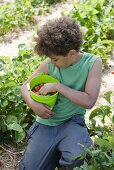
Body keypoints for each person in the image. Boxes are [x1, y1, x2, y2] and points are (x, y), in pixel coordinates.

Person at [19, 17, 102, 170]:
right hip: (46, 124)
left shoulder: (92, 63)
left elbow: (89, 101)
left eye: (55, 59)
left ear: (71, 53)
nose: (52, 62)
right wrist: (33, 104)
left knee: (78, 158)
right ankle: (54, 152)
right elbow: (24, 87)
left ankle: (64, 150)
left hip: (71, 122)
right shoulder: (49, 64)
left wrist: (58, 86)